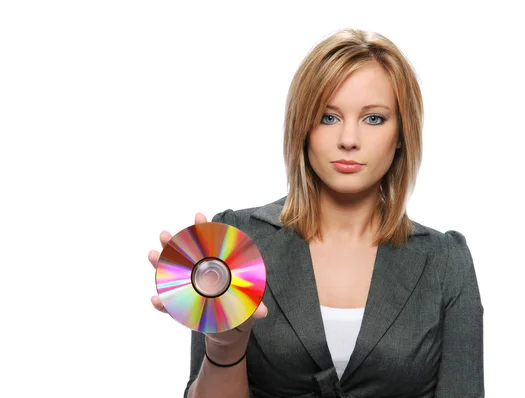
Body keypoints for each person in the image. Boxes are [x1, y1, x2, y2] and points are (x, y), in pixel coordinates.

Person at [148, 28, 484, 398]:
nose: (348, 139)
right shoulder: (235, 245)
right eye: (328, 117)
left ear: (402, 133)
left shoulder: (445, 262)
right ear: (302, 127)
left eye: (374, 118)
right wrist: (226, 344)